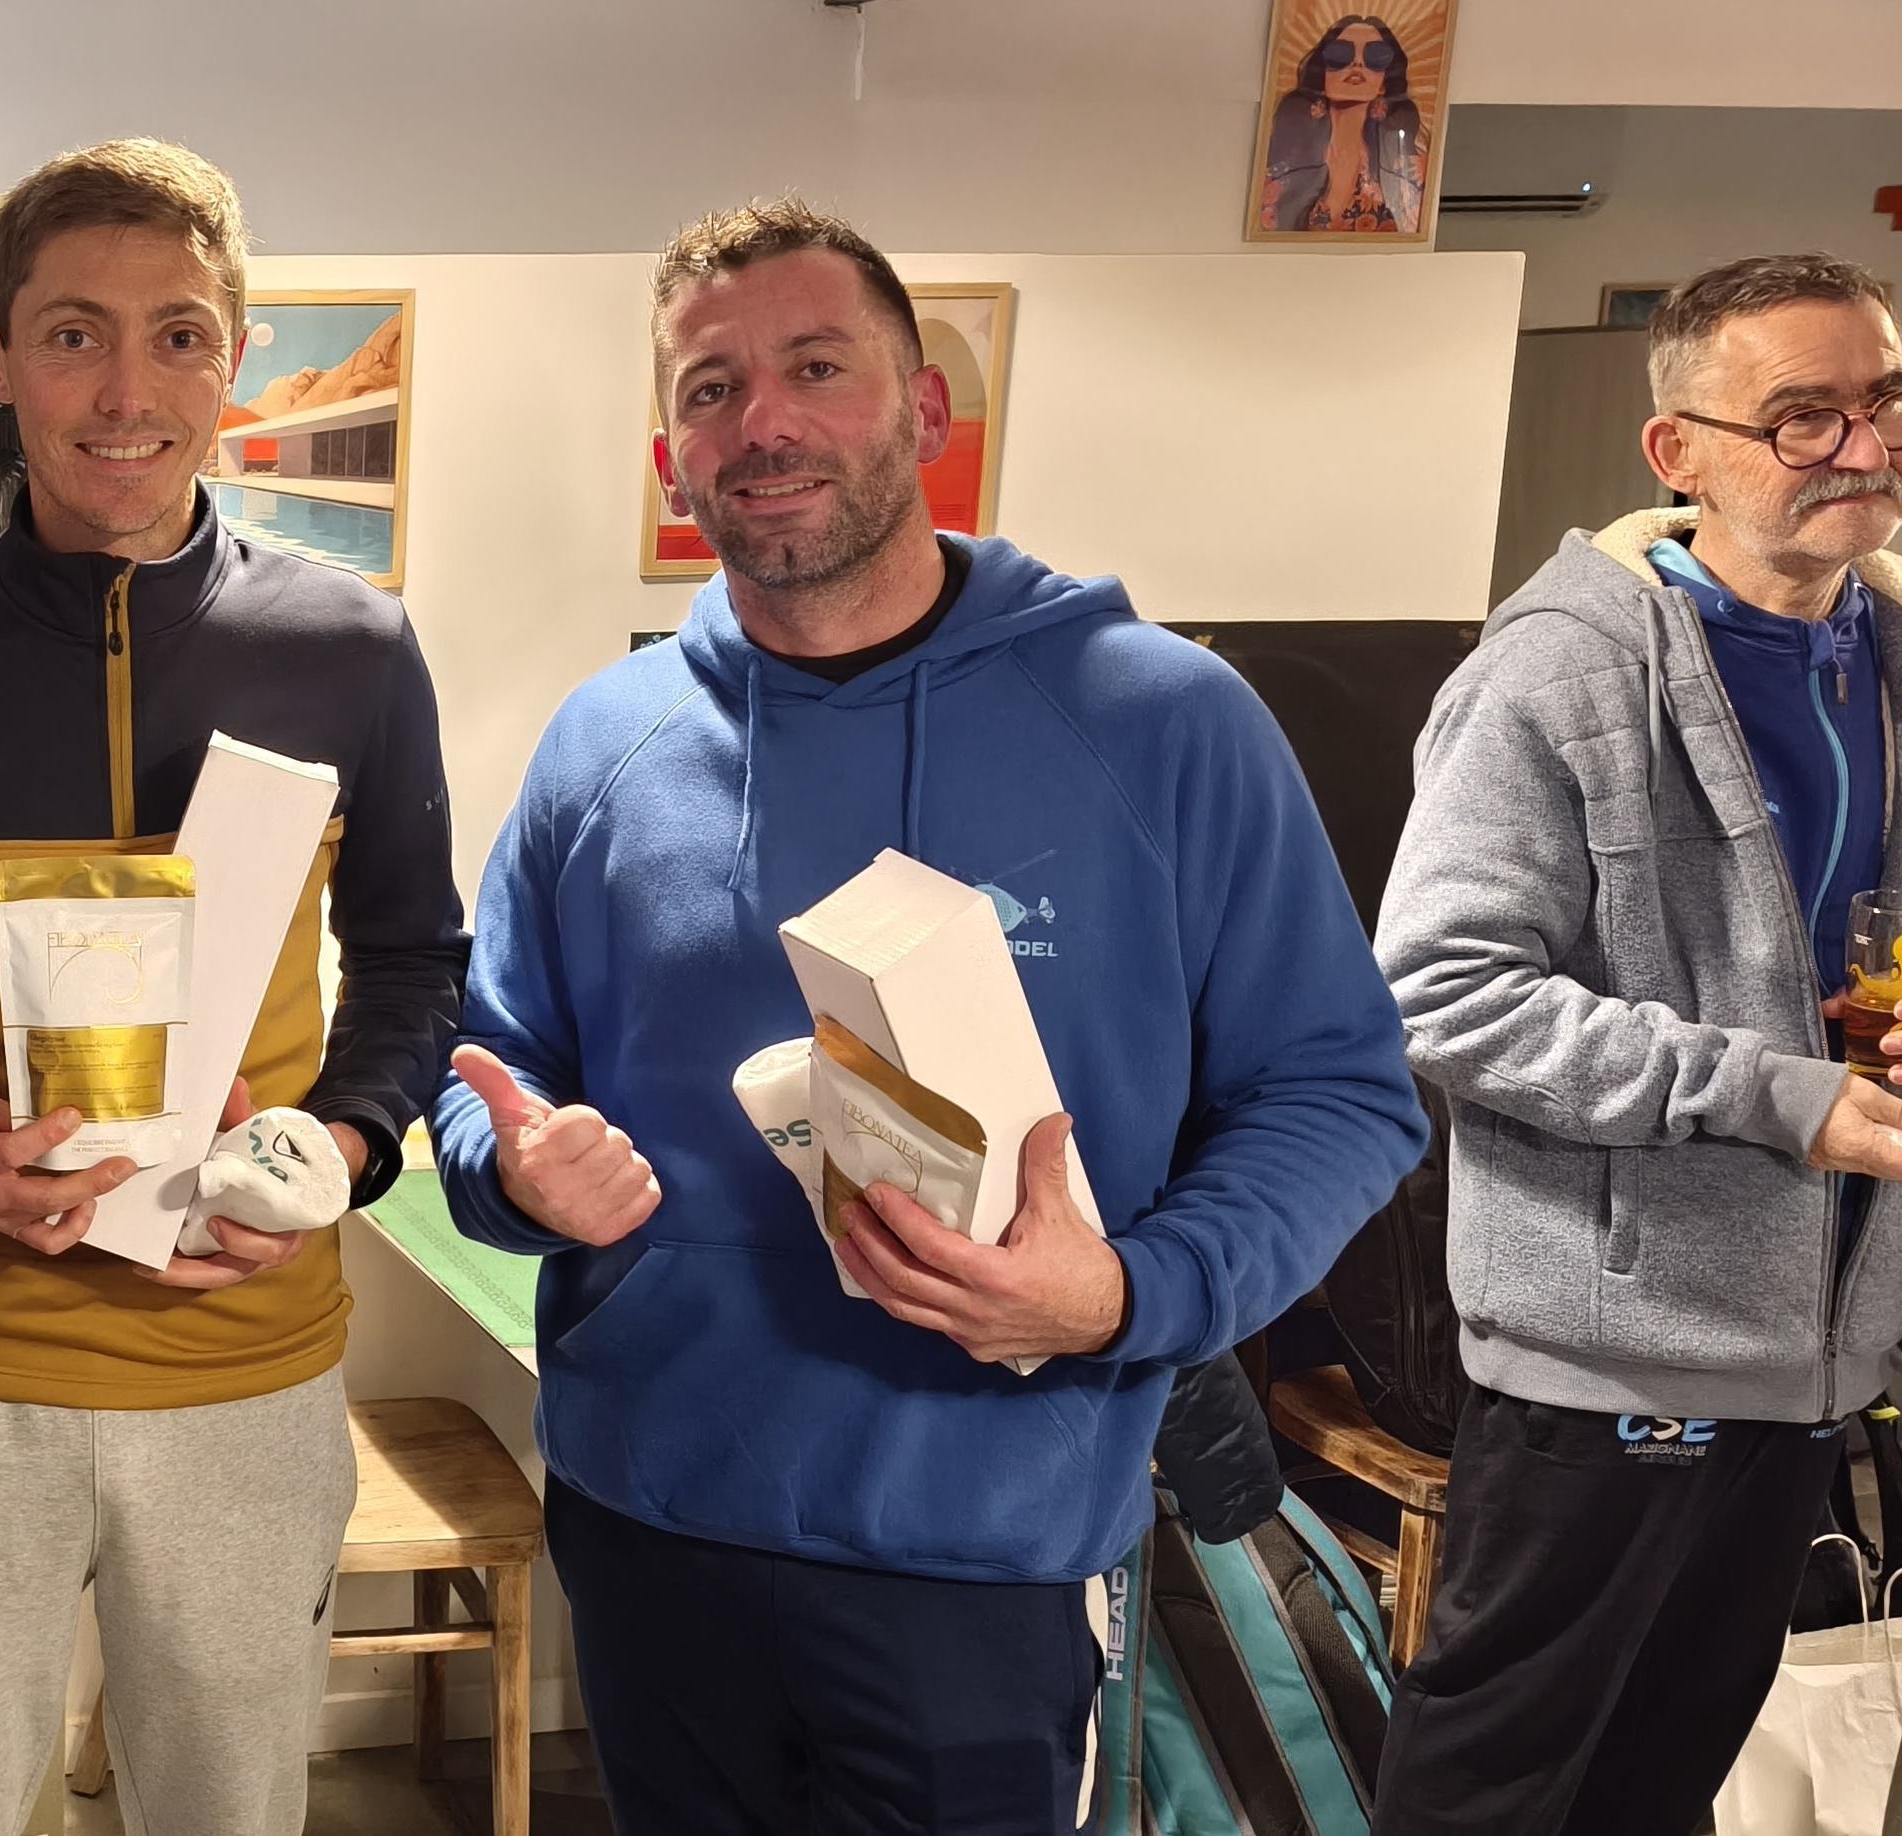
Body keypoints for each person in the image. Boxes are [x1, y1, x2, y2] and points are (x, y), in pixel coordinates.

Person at [434, 197, 1423, 1834]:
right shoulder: (599, 745)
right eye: (711, 389)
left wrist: (1129, 1292)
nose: (764, 422)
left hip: (987, 1546)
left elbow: (1339, 1095)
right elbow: (493, 1069)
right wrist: (515, 1174)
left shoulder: (1166, 722)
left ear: (927, 409)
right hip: (652, 1521)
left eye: (818, 367)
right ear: (671, 460)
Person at [0, 138, 469, 1836]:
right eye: (75, 334)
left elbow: (413, 961)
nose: (127, 393)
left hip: (245, 1368)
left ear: (236, 362)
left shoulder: (354, 652)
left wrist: (338, 1150)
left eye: (180, 337)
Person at [1370, 253, 1902, 1835]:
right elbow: (1440, 987)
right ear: (1677, 451)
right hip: (1608, 1360)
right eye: (1804, 415)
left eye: (1889, 401)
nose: (1865, 446)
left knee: (1658, 1789)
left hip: (1818, 1355)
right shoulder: (1558, 669)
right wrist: (1776, 1099)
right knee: (1496, 1798)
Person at [1257, 14, 1432, 235]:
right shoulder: (1281, 161)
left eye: (1375, 57)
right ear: (1322, 74)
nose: (1357, 63)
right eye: (1340, 54)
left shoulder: (1408, 166)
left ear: (1384, 83)